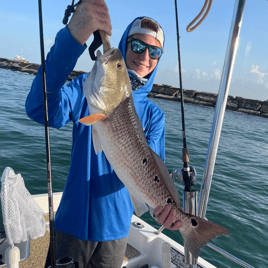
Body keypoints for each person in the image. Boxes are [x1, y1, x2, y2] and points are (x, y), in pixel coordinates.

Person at [25, 0, 181, 267]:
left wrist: (166, 209)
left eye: (154, 52)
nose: (145, 57)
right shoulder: (87, 89)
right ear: (124, 43)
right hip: (72, 221)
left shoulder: (155, 116)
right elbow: (40, 108)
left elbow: (154, 172)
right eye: (138, 46)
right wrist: (73, 38)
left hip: (117, 232)